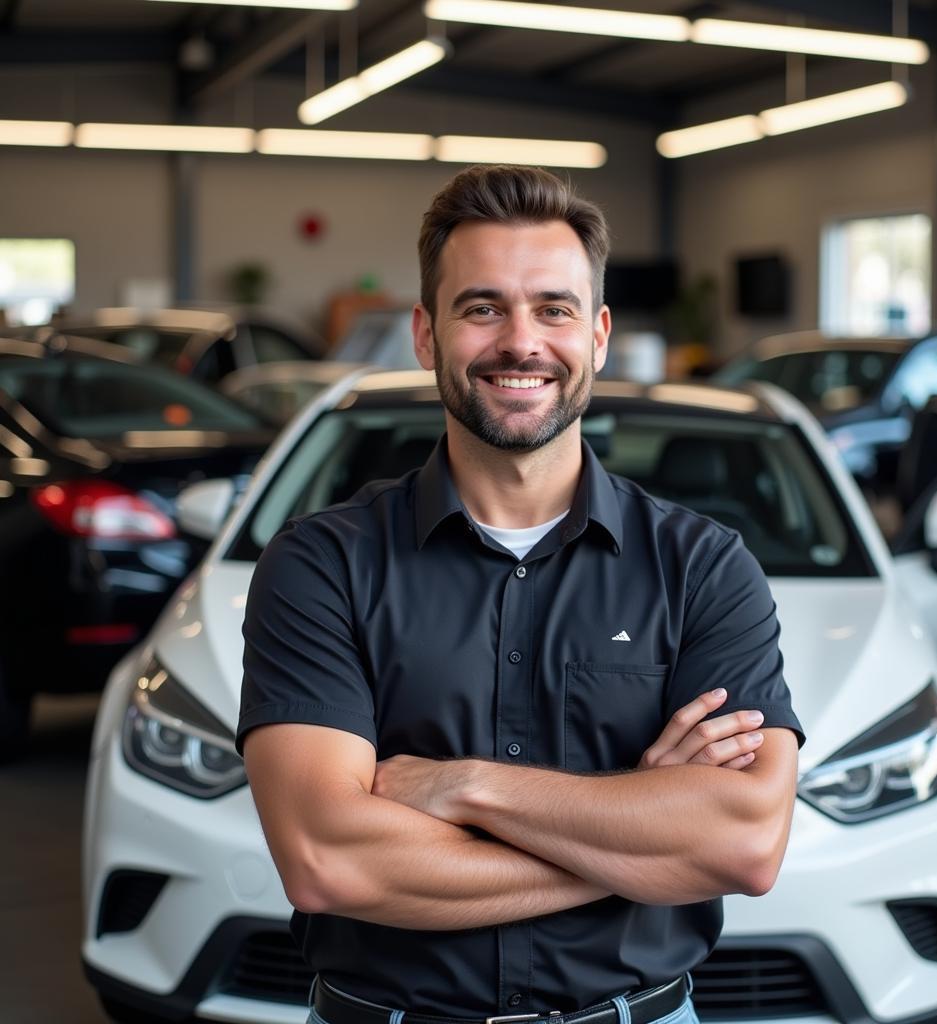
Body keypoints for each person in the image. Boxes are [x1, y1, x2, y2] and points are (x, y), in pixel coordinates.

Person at [238, 165, 804, 1024]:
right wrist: (638, 834)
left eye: (554, 307)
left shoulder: (705, 568)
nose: (520, 341)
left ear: (599, 334)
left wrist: (465, 788)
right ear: (427, 336)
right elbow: (330, 861)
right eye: (482, 307)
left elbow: (745, 843)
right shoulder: (322, 566)